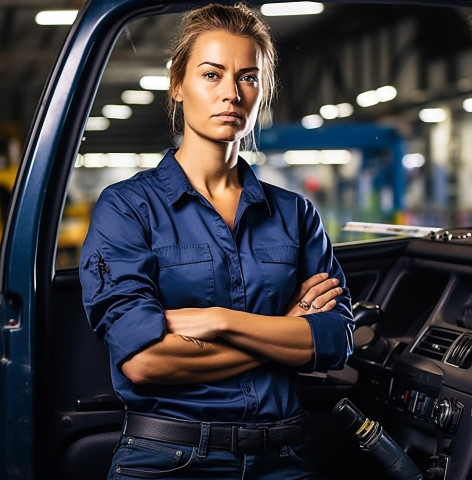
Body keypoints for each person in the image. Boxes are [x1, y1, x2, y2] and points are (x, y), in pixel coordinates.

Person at [79, 3, 354, 479]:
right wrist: (282, 332)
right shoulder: (126, 209)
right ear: (177, 84)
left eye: (248, 77)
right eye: (211, 74)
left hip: (285, 457)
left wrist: (217, 320)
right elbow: (143, 361)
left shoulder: (294, 213)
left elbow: (333, 340)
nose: (231, 93)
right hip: (169, 458)